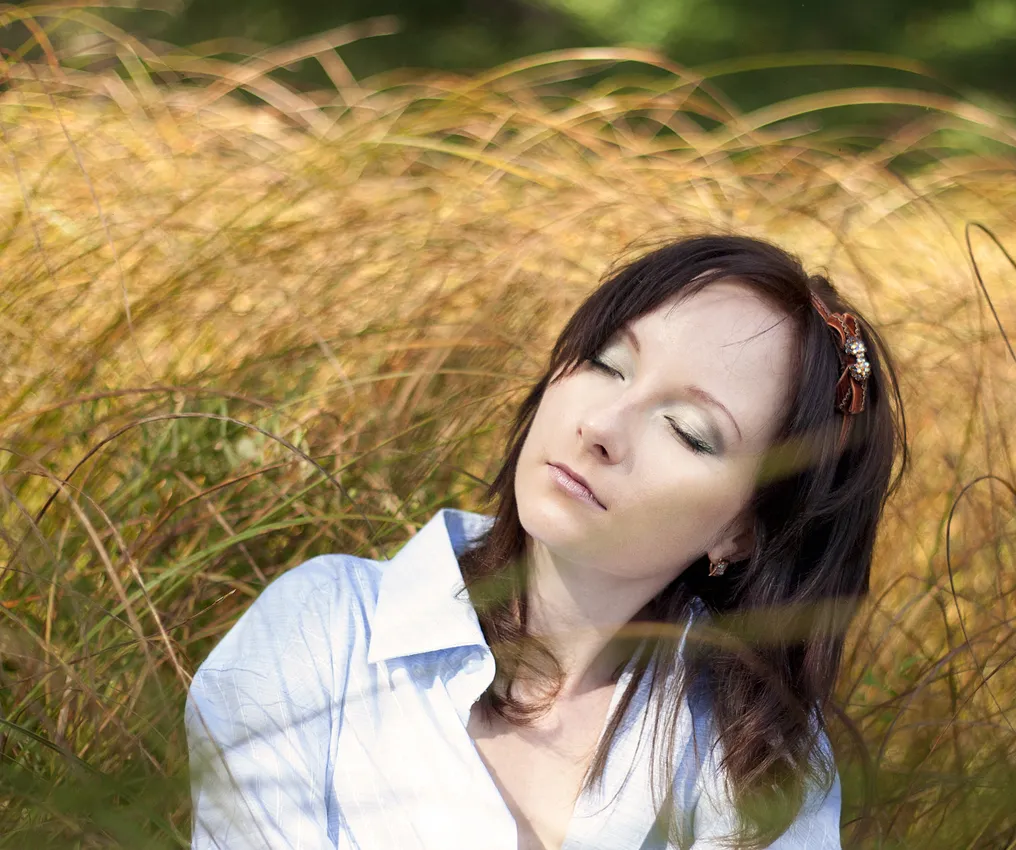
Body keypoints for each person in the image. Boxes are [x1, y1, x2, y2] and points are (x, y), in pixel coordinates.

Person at [184, 233, 910, 850]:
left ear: (744, 529)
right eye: (605, 363)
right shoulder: (322, 634)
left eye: (689, 430)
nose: (602, 426)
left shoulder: (757, 756)